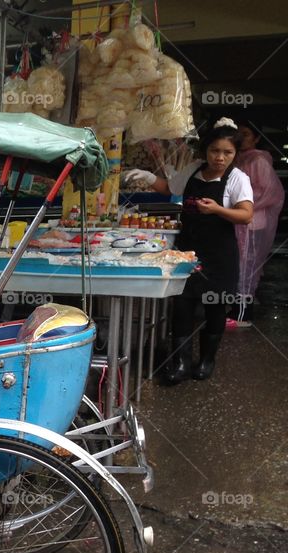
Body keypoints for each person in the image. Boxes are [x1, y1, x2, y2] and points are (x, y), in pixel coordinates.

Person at [125, 118, 253, 384]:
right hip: (187, 251)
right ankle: (180, 363)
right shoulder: (194, 170)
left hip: (219, 255)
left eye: (227, 153)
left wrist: (217, 209)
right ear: (205, 151)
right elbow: (170, 188)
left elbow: (245, 215)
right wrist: (150, 178)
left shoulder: (238, 179)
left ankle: (207, 360)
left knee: (214, 308)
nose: (220, 158)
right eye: (215, 151)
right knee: (182, 305)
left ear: (235, 154)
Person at [231, 122, 285, 326]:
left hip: (252, 221)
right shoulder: (240, 157)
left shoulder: (258, 159)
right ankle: (237, 310)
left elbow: (271, 192)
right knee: (240, 265)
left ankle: (244, 314)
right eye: (238, 134)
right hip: (240, 219)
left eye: (245, 134)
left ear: (257, 138)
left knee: (247, 266)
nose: (241, 138)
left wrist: (241, 203)